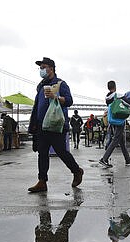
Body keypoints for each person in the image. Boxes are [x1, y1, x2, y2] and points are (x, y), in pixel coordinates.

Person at [27, 57, 83, 193]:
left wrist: (56, 97)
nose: (41, 70)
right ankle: (42, 181)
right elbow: (37, 106)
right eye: (40, 68)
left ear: (51, 68)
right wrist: (33, 123)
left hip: (56, 124)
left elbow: (69, 100)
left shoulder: (60, 84)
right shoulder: (40, 86)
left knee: (61, 151)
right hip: (41, 125)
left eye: (43, 67)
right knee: (42, 153)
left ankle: (77, 171)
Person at [99, 81, 130, 168]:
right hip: (120, 120)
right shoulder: (119, 95)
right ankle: (104, 159)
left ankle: (128, 160)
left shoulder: (107, 98)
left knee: (121, 141)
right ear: (115, 86)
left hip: (112, 120)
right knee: (116, 140)